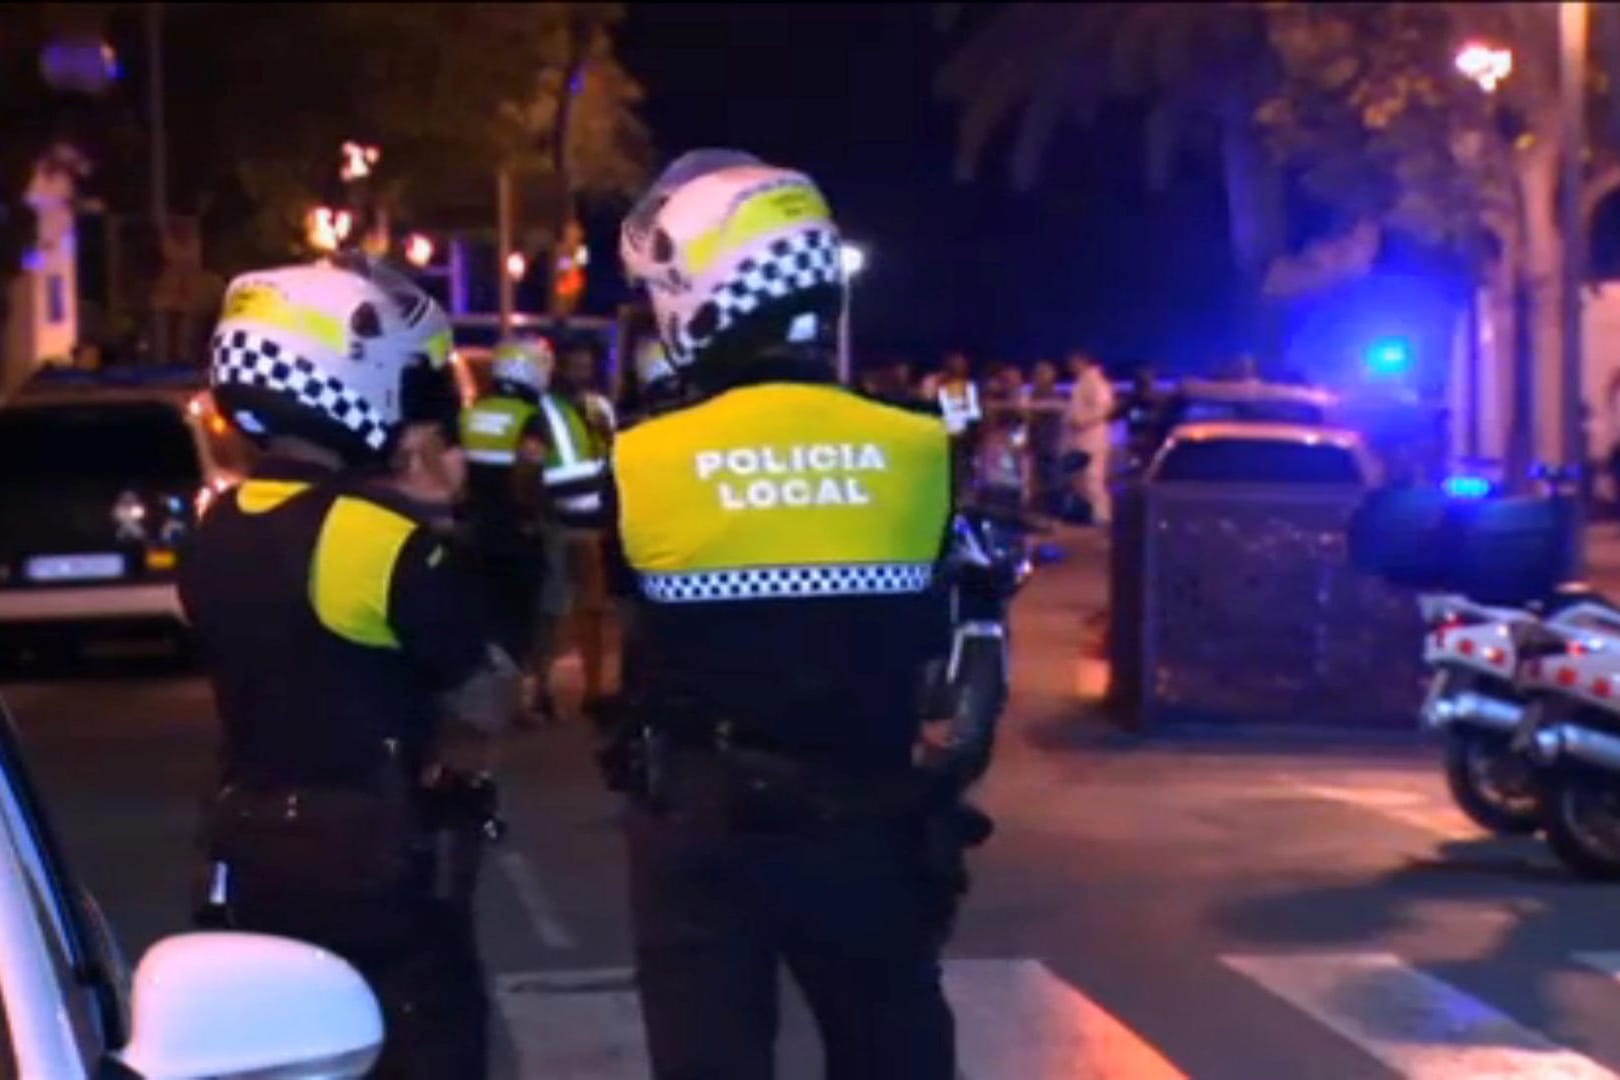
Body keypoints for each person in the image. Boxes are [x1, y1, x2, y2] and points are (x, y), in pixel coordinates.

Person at [609, 148, 966, 1078]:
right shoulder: (920, 446)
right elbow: (947, 638)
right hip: (869, 812)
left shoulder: (646, 457)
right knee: (894, 1049)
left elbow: (627, 615)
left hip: (702, 818)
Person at [180, 254, 518, 1078]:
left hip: (249, 843)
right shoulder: (374, 536)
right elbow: (484, 681)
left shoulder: (217, 525)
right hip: (371, 853)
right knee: (425, 1045)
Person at [529, 338, 616, 723]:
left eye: (586, 366)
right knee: (551, 612)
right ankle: (542, 691)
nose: (581, 374)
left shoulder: (600, 407)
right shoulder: (544, 410)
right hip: (558, 524)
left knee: (593, 611)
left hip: (596, 523)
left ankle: (595, 693)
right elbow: (528, 465)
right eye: (574, 366)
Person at [459, 336, 553, 679]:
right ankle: (522, 694)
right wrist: (534, 516)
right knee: (523, 614)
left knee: (486, 611)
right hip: (517, 528)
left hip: (476, 526)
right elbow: (529, 471)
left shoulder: (473, 413)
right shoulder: (529, 416)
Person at [1066, 350, 1116, 525]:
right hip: (1081, 439)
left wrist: (1082, 421)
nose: (1070, 364)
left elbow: (1104, 408)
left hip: (1092, 439)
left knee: (1092, 477)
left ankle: (1102, 516)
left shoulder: (1096, 382)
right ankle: (1089, 514)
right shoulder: (1081, 382)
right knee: (1081, 479)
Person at [1022, 359, 1066, 512]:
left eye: (1042, 374)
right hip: (1037, 445)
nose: (1038, 378)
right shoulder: (1033, 395)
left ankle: (1053, 515)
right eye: (1037, 374)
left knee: (1052, 483)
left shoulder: (1054, 396)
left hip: (1051, 445)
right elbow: (1030, 420)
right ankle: (1040, 513)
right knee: (1038, 483)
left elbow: (1051, 411)